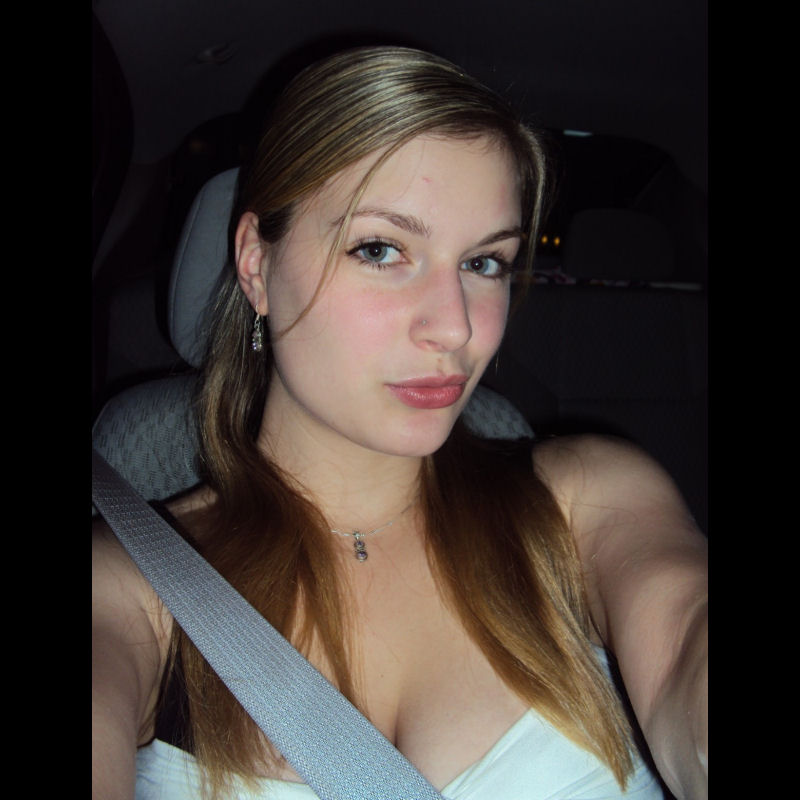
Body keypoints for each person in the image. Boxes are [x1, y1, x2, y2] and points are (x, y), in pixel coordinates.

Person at [92, 46, 708, 800]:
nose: (455, 327)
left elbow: (684, 633)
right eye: (381, 249)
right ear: (255, 264)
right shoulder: (128, 590)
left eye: (484, 263)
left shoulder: (586, 500)